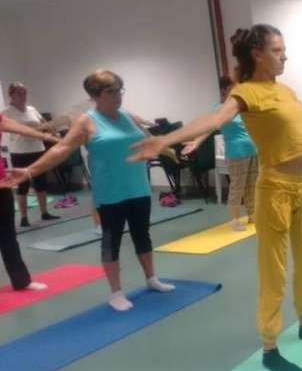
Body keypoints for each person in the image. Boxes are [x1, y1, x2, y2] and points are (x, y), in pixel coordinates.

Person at [129, 25, 302, 371]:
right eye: (277, 50)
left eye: (284, 49)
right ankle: (270, 346)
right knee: (274, 270)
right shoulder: (245, 93)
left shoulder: (284, 90)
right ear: (257, 54)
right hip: (274, 190)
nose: (285, 56)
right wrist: (165, 139)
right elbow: (214, 119)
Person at [1, 70, 173, 311]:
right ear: (95, 94)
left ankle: (151, 278)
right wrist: (29, 171)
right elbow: (61, 149)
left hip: (138, 188)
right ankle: (116, 292)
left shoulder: (126, 116)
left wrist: (169, 150)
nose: (118, 96)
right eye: (111, 91)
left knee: (142, 235)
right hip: (110, 192)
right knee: (111, 241)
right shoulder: (86, 121)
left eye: (119, 90)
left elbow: (149, 139)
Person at [182, 75, 258, 231]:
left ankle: (253, 215)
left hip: (252, 150)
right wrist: (197, 142)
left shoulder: (241, 106)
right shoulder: (220, 109)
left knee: (252, 186)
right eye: (234, 86)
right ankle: (235, 220)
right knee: (237, 187)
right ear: (224, 89)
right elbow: (210, 127)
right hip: (237, 153)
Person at [0, 115, 60, 290]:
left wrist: (47, 137)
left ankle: (21, 281)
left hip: (3, 184)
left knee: (8, 236)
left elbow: (20, 128)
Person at [2, 82, 61, 227]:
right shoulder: (6, 113)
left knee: (41, 183)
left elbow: (44, 123)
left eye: (24, 93)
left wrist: (54, 134)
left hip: (38, 149)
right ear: (11, 95)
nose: (23, 96)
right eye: (19, 93)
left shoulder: (32, 109)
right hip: (20, 152)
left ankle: (45, 213)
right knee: (23, 185)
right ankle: (24, 218)